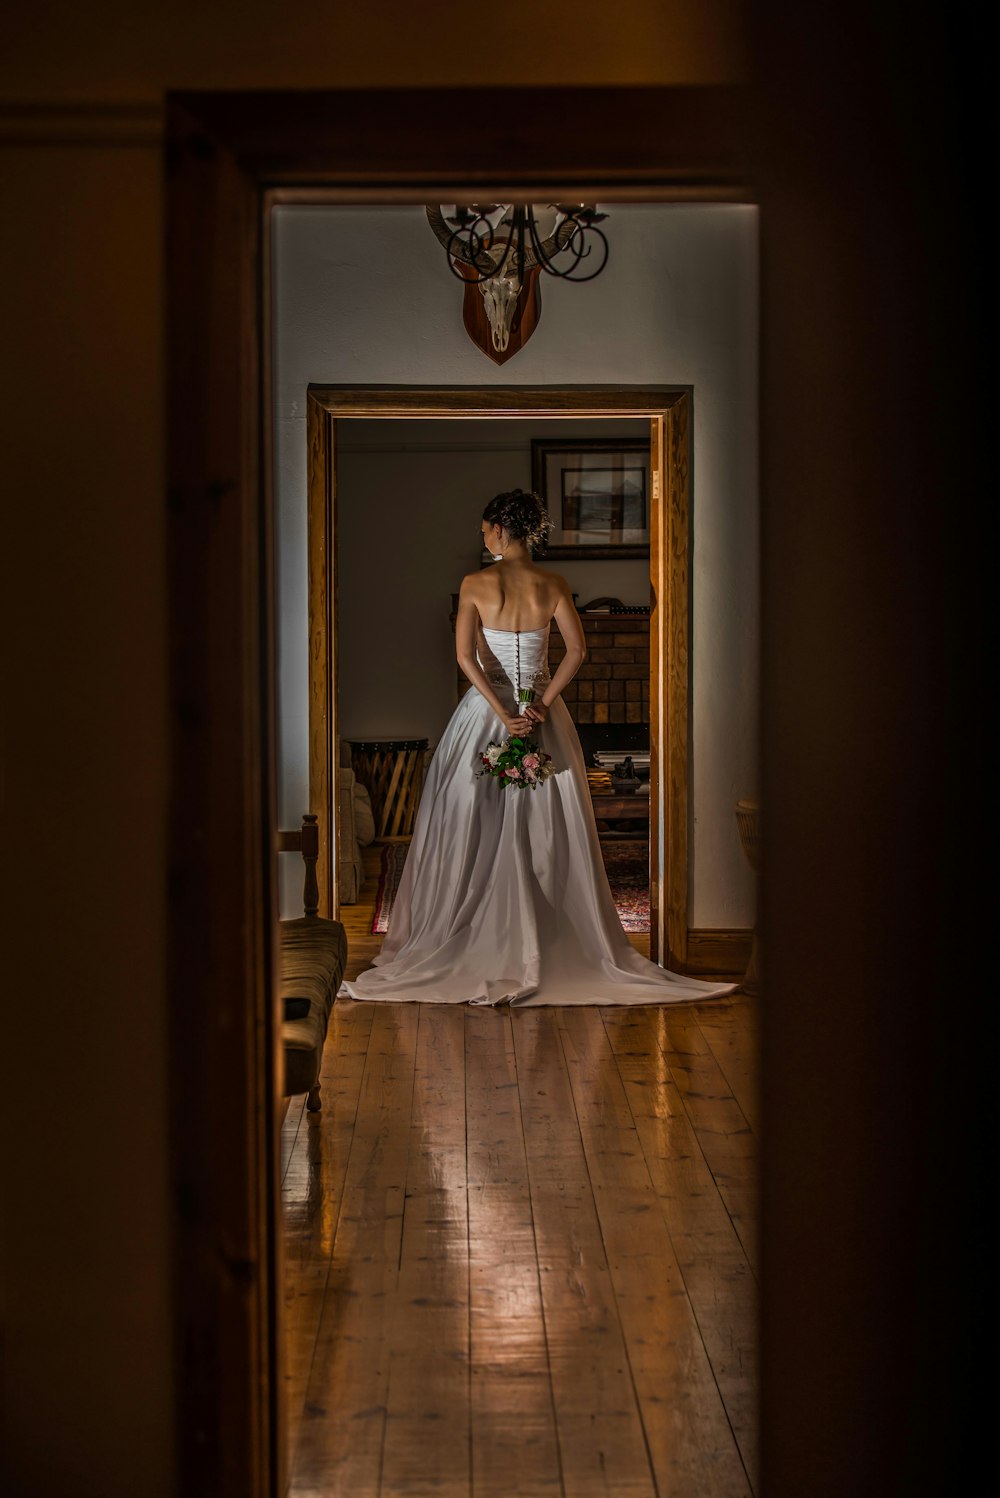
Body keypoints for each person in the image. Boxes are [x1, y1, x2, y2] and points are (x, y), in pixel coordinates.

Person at [339, 488, 736, 1006]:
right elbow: (578, 650)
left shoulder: (476, 583)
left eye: (485, 530)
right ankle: (552, 935)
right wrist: (541, 705)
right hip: (542, 715)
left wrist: (502, 713)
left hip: (487, 716)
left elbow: (465, 658)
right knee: (547, 823)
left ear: (502, 530)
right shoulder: (554, 583)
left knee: (468, 819)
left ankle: (472, 932)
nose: (482, 538)